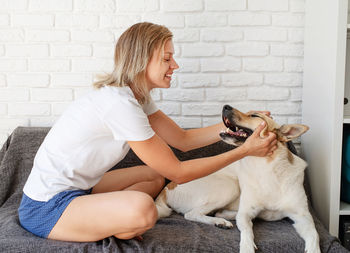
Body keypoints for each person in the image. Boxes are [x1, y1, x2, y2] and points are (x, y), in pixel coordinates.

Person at [18, 22, 277, 242]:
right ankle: (110, 222)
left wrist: (237, 124)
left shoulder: (136, 97)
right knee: (144, 211)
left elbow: (183, 140)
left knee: (153, 177)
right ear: (141, 60)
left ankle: (105, 218)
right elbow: (177, 172)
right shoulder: (119, 104)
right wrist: (245, 151)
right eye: (166, 58)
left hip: (81, 190)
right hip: (46, 207)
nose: (175, 65)